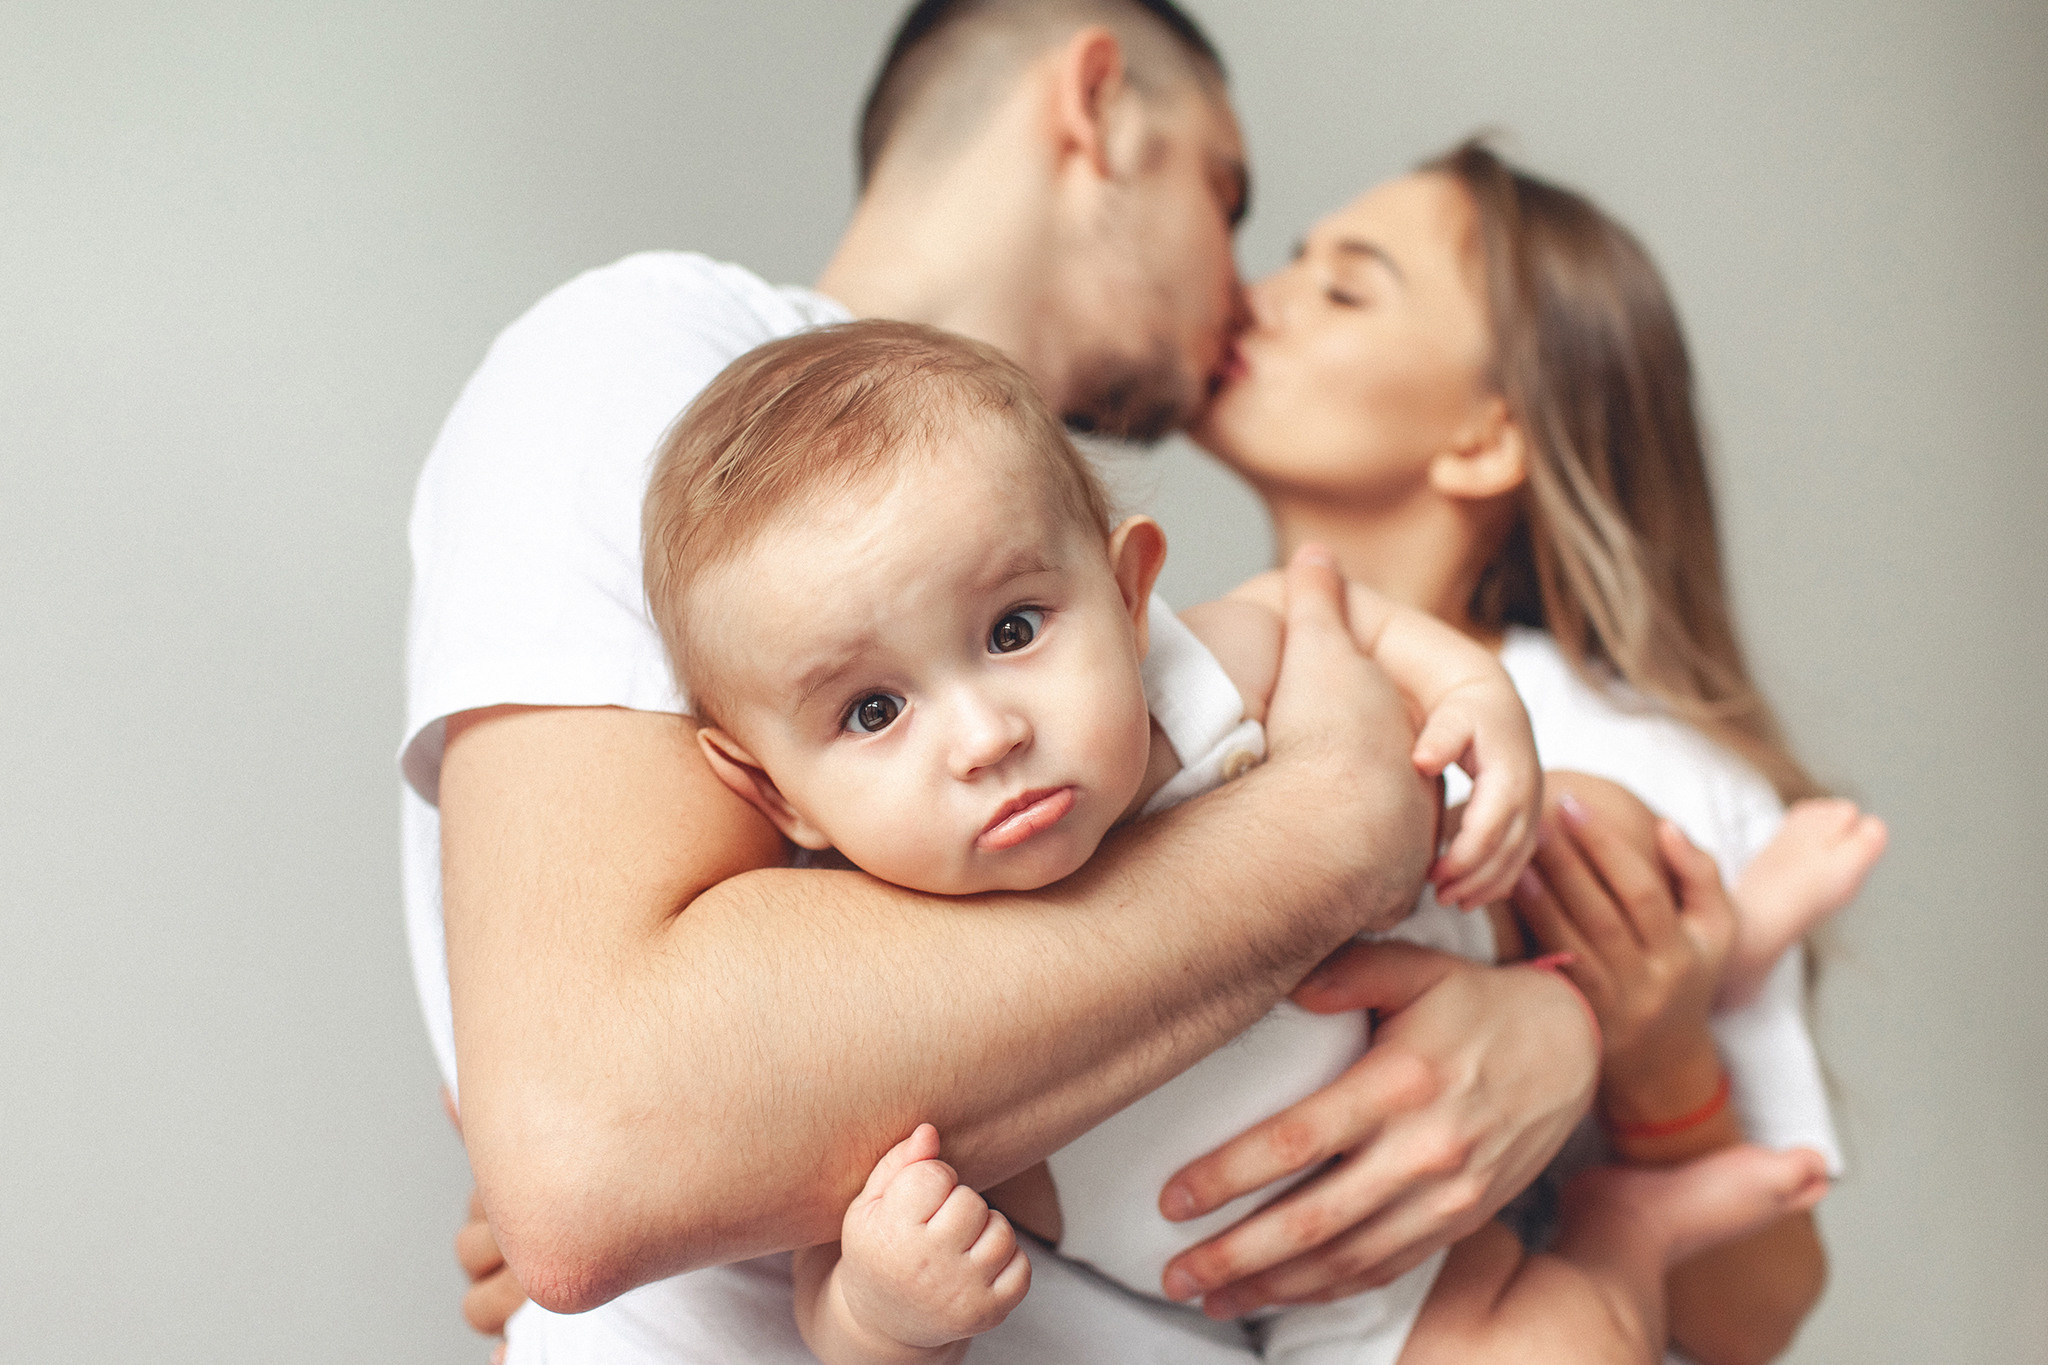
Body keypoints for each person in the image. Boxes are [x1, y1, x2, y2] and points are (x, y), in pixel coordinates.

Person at [413, 3, 1600, 1360]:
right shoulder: (656, 365)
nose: (1242, 289)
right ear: (1099, 108)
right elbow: (597, 1142)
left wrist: (1556, 1021)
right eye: (1228, 193)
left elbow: (1391, 683)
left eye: (1018, 629)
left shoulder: (1105, 675)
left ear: (1116, 582)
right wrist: (1333, 833)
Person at [618, 318, 1827, 1365]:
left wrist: (1472, 693)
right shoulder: (849, 976)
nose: (985, 735)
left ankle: (1724, 945)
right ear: (779, 797)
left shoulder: (1194, 681)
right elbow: (820, 1290)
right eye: (872, 712)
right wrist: (885, 1308)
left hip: (1472, 919)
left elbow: (1337, 606)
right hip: (1357, 1269)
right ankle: (1626, 1232)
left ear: (1128, 589)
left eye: (1013, 628)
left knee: (1587, 820)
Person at [1162, 140, 1886, 1363]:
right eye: (1290, 257)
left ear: (1484, 439)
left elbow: (1752, 1318)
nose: (1257, 294)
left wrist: (1658, 1060)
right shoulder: (1165, 673)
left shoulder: (1637, 764)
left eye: (1343, 288)